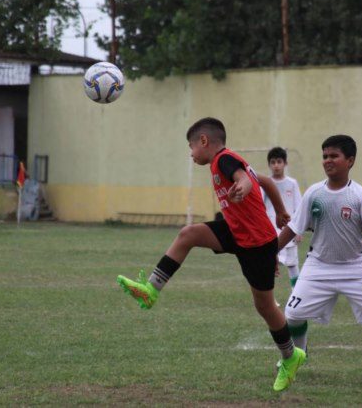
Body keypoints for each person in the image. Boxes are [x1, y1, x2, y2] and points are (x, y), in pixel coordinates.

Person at [116, 117, 306, 392]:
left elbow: (247, 180)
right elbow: (264, 180)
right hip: (237, 231)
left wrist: (243, 186)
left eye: (191, 146)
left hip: (257, 243)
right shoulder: (223, 162)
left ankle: (291, 356)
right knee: (188, 234)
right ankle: (151, 290)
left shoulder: (223, 160)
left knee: (265, 306)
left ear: (204, 141)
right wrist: (279, 210)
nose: (191, 153)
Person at [277, 135, 362, 384]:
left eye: (334, 156)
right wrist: (272, 253)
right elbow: (294, 227)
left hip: (356, 267)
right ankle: (298, 356)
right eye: (325, 156)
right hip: (318, 265)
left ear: (350, 161)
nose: (328, 160)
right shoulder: (314, 193)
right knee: (292, 314)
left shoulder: (359, 195)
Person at [263, 147, 303, 289]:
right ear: (269, 165)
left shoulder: (292, 183)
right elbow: (260, 206)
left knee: (293, 266)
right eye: (273, 162)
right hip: (270, 231)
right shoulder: (265, 183)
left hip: (289, 230)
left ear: (285, 163)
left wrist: (299, 231)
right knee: (268, 266)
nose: (276, 165)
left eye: (279, 162)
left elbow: (299, 207)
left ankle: (296, 294)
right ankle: (267, 297)